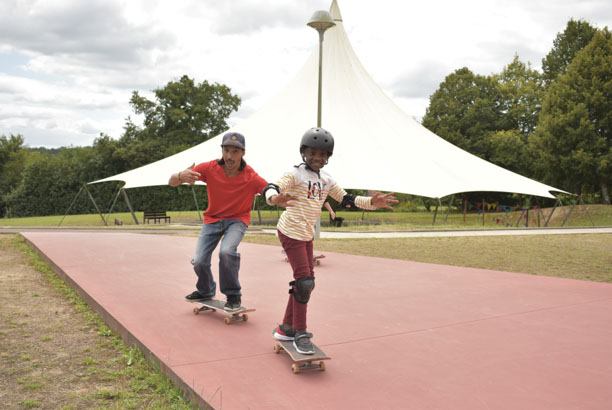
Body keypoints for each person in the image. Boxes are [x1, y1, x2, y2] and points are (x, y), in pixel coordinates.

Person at [264, 127, 398, 354]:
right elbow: (272, 187)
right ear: (303, 152)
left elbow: (346, 199)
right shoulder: (296, 174)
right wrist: (274, 198)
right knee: (305, 282)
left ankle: (286, 328)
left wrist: (372, 202)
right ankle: (300, 333)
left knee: (304, 283)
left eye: (324, 154)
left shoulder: (326, 179)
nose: (318, 158)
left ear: (328, 157)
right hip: (290, 231)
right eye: (313, 153)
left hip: (305, 234)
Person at [169, 131, 267, 312]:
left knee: (227, 252)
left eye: (235, 152)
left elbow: (267, 189)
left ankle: (233, 294)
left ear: (243, 153)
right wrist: (181, 175)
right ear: (222, 150)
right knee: (199, 261)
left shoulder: (250, 176)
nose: (230, 156)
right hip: (212, 220)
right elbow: (172, 182)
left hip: (237, 221)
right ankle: (205, 290)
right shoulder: (209, 168)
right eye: (226, 151)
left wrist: (277, 196)